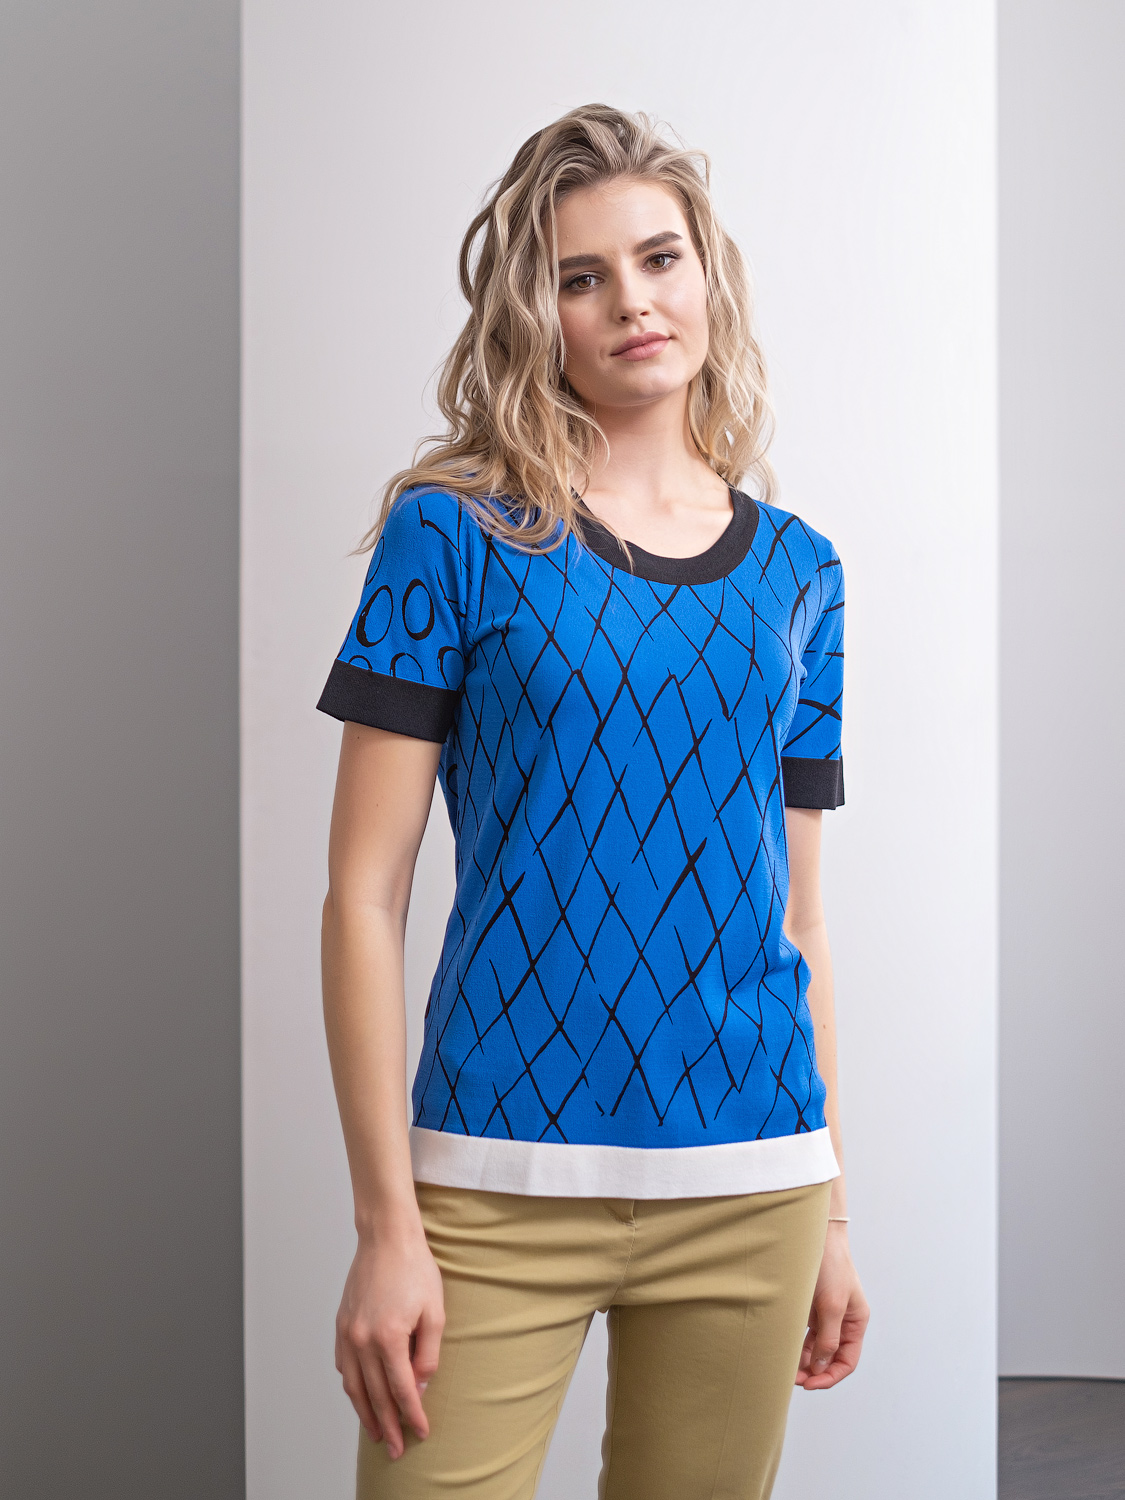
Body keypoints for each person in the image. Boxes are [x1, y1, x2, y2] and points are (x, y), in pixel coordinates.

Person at [317, 103, 869, 1500]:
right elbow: (363, 896)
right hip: (493, 1180)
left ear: (707, 275)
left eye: (658, 258)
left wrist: (832, 1209)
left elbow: (798, 918)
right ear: (536, 314)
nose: (631, 300)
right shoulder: (454, 534)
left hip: (753, 1178)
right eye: (581, 276)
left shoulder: (801, 572)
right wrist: (387, 1223)